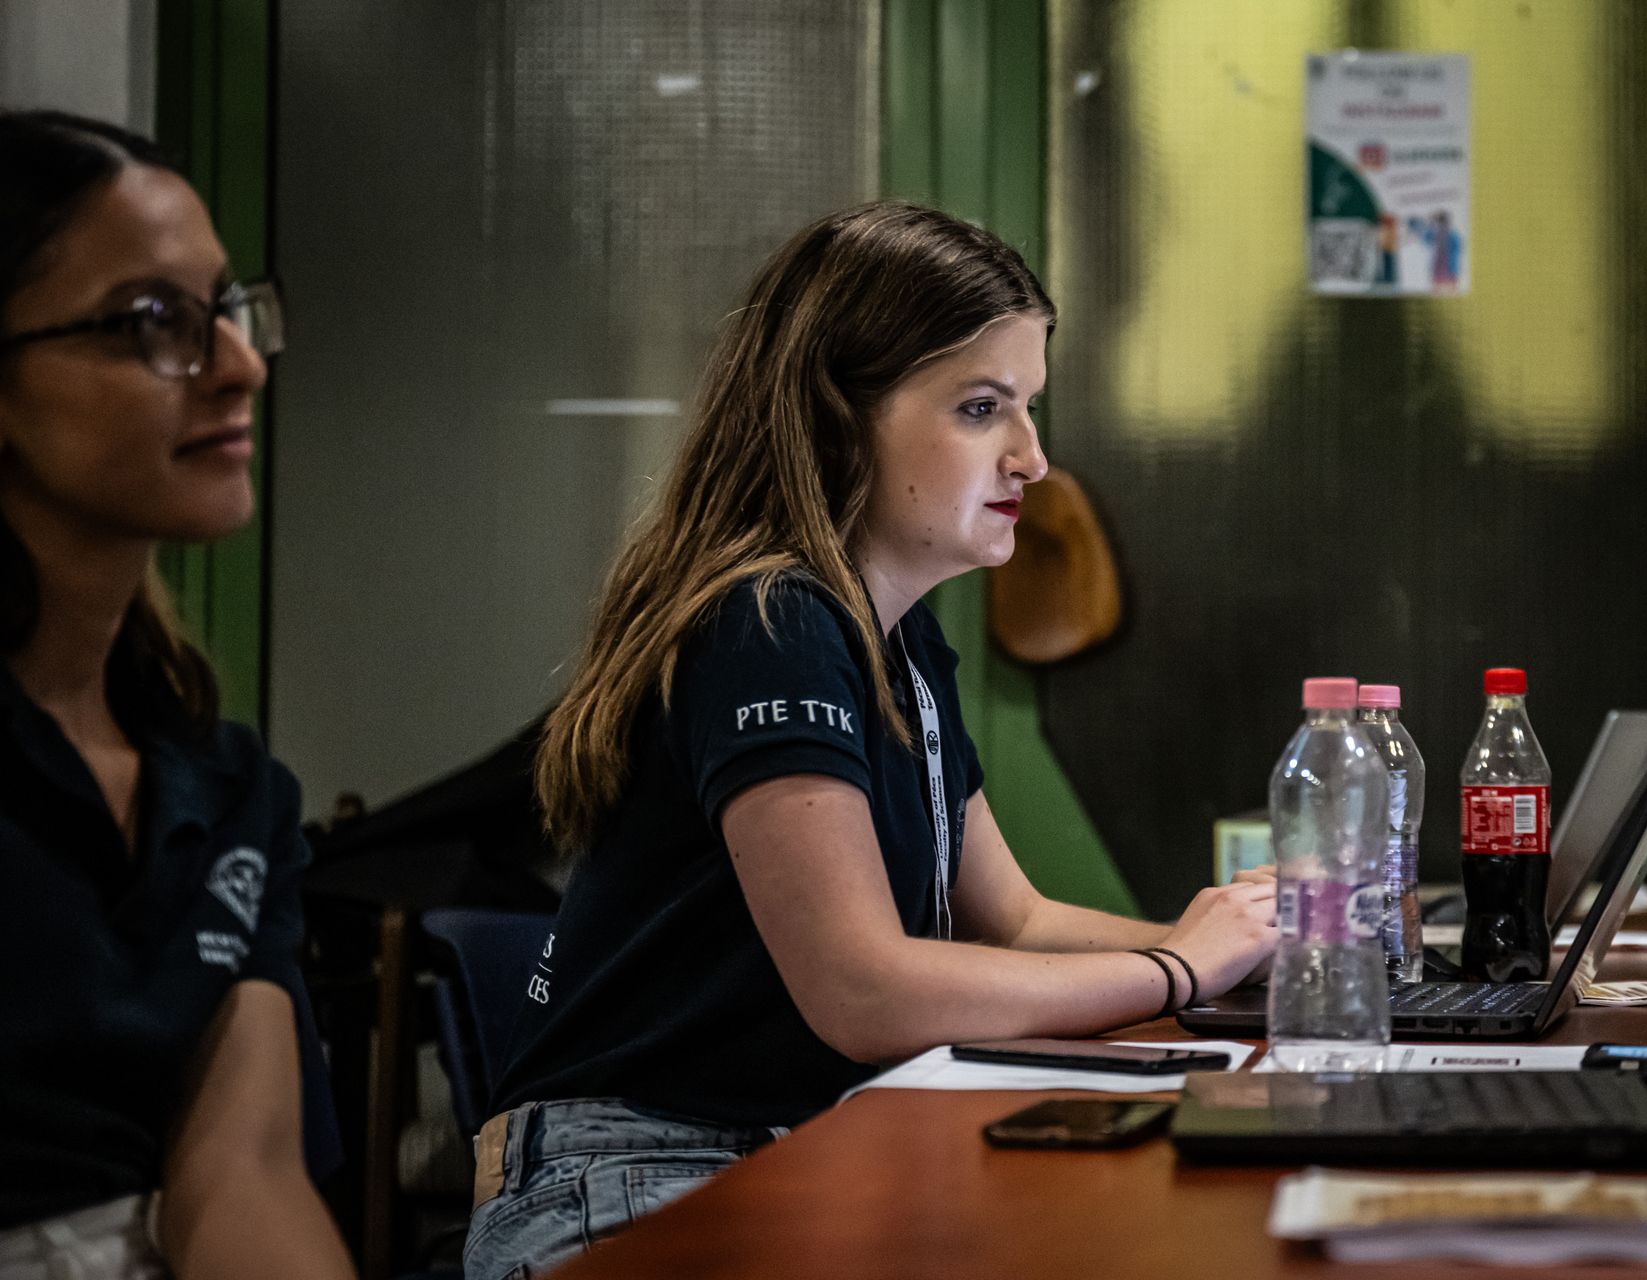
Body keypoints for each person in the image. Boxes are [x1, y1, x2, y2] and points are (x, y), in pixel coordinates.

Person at [464, 202, 1277, 1279]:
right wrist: (1175, 968)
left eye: (1029, 408)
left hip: (791, 1151)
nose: (1033, 459)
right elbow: (864, 991)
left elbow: (1016, 921)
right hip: (634, 1179)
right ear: (837, 420)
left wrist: (1230, 963)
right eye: (982, 409)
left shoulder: (900, 643)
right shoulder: (771, 624)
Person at [0, 111, 354, 1280]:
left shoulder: (230, 787)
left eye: (227, 309)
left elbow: (242, 1177)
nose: (240, 363)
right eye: (154, 321)